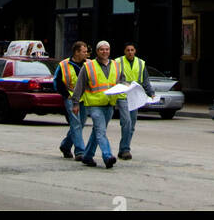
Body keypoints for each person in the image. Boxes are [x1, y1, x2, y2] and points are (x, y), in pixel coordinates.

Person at [70, 40, 123, 168]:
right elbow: (80, 85)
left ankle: (87, 156)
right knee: (101, 131)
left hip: (109, 104)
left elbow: (122, 81)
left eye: (107, 49)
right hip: (94, 105)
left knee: (97, 131)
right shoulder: (88, 66)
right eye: (101, 49)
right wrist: (75, 103)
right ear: (97, 51)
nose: (104, 52)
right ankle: (107, 156)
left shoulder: (116, 65)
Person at [117, 42, 154, 161]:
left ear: (135, 51)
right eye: (128, 50)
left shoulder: (140, 63)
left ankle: (123, 149)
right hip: (123, 95)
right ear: (124, 51)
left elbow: (145, 80)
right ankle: (126, 149)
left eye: (132, 50)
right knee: (126, 122)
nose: (130, 52)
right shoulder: (118, 62)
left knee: (131, 125)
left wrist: (151, 93)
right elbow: (113, 77)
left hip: (135, 96)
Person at [53, 40, 89, 160]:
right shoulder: (64, 65)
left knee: (80, 124)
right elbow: (57, 82)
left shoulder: (89, 64)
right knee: (75, 123)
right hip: (70, 98)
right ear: (76, 52)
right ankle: (80, 151)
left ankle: (65, 145)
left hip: (85, 98)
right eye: (84, 51)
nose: (86, 54)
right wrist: (65, 94)